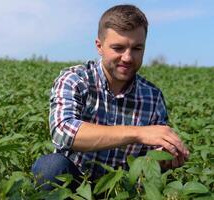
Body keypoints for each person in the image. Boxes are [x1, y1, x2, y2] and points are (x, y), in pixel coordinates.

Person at [32, 4, 190, 191]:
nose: (128, 58)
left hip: (123, 187)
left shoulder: (153, 97)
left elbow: (149, 161)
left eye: (137, 48)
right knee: (50, 168)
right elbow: (64, 132)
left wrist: (164, 157)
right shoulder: (75, 80)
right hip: (75, 182)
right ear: (99, 46)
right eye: (118, 48)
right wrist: (139, 133)